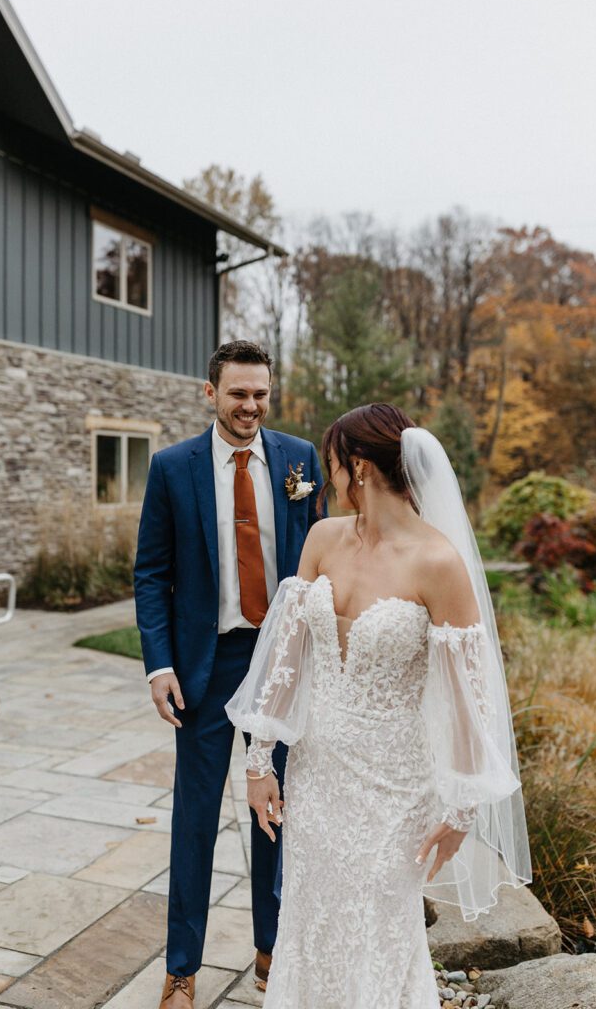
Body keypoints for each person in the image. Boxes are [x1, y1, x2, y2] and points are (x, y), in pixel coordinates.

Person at [226, 403, 532, 1008]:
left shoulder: (438, 562)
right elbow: (288, 658)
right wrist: (260, 761)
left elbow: (470, 699)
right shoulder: (321, 537)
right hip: (316, 771)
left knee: (378, 923)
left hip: (395, 784)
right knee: (312, 913)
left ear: (359, 469)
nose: (329, 478)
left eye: (334, 465)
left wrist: (462, 808)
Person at [134, 340, 325, 1008]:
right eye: (238, 393)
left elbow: (321, 562)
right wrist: (158, 663)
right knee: (193, 821)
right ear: (209, 393)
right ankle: (181, 968)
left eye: (260, 394)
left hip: (282, 666)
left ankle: (272, 955)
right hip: (203, 668)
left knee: (275, 813)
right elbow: (151, 573)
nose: (250, 406)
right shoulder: (171, 467)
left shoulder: (300, 460)